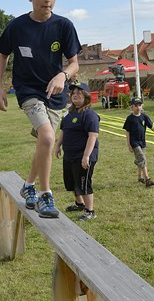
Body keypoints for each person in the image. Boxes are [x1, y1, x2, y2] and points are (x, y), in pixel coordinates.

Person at [0, 0, 81, 219]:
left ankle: (28, 186)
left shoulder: (64, 26)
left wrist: (62, 75)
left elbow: (74, 63)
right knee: (46, 137)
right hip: (28, 90)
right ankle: (45, 195)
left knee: (45, 142)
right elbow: (3, 55)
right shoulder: (17, 26)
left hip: (55, 93)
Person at [55, 83, 99, 221]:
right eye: (73, 92)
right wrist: (58, 145)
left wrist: (86, 156)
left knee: (83, 183)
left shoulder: (90, 115)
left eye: (79, 93)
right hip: (70, 154)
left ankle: (90, 210)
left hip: (83, 155)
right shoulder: (69, 114)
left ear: (86, 96)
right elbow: (63, 130)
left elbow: (93, 136)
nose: (74, 95)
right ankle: (79, 204)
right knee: (72, 181)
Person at [123, 97, 154, 187]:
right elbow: (127, 131)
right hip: (134, 142)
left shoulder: (144, 117)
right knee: (142, 159)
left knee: (141, 160)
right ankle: (147, 179)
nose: (138, 107)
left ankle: (139, 177)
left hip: (142, 142)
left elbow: (152, 127)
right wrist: (129, 144)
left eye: (139, 105)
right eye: (136, 105)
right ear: (132, 107)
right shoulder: (130, 118)